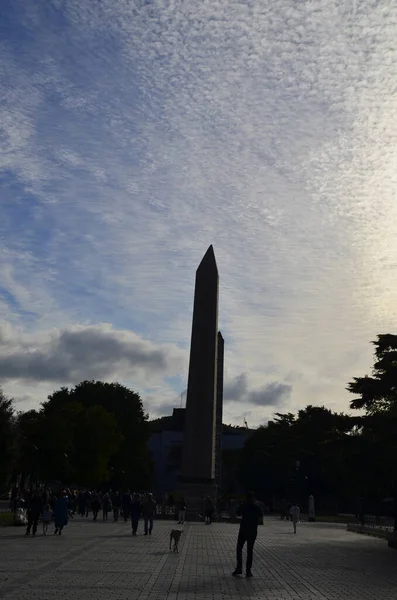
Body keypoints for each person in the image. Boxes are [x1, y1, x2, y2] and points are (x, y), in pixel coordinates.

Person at [232, 491, 262, 578]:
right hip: (252, 531)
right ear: (253, 498)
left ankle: (239, 568)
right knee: (250, 551)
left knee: (239, 548)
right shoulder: (257, 507)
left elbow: (238, 513)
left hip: (243, 530)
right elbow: (260, 518)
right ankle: (248, 571)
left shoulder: (244, 505)